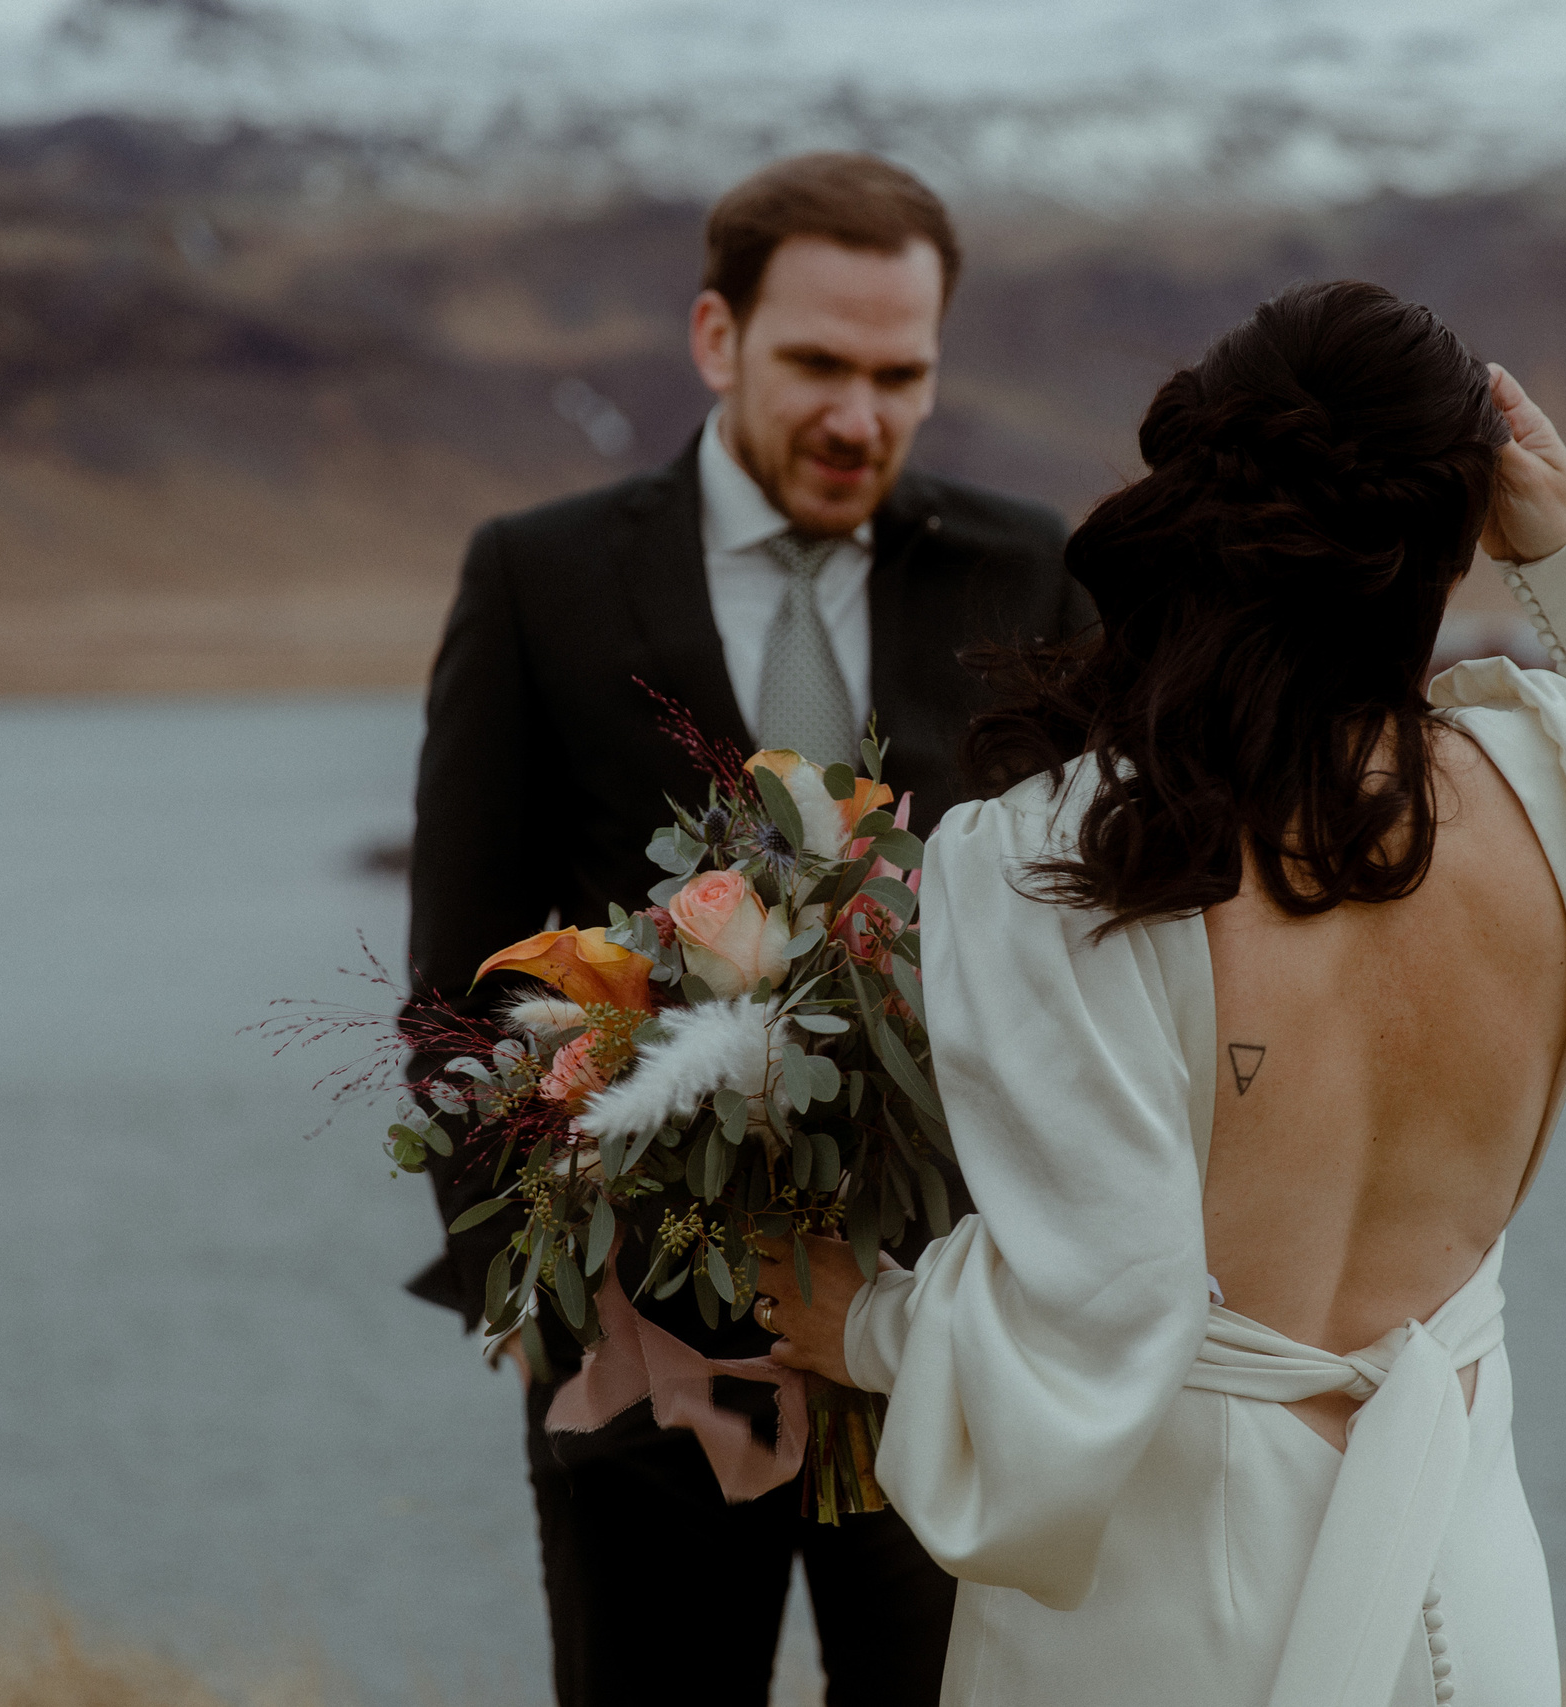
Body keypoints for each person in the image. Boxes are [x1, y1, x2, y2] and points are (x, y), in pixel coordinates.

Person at [754, 281, 1566, 1705]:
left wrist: (868, 1325)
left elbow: (1106, 1312)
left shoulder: (1055, 861)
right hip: (1461, 1598)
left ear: (1202, 507)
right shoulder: (1560, 794)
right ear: (1455, 537)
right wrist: (1565, 552)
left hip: (1167, 1618)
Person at [403, 152, 1084, 1706]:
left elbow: (1092, 945)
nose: (860, 417)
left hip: (942, 1347)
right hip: (643, 1358)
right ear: (718, 339)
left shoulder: (1030, 573)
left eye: (900, 376)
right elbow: (454, 985)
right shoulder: (539, 578)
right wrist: (539, 1297)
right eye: (819, 365)